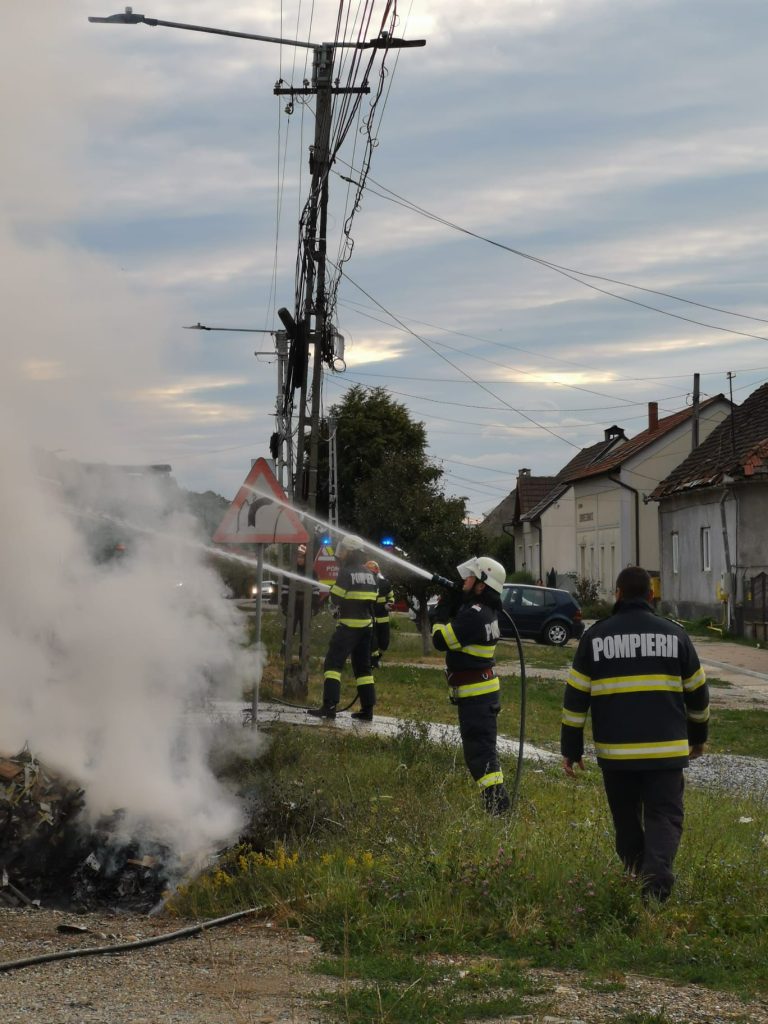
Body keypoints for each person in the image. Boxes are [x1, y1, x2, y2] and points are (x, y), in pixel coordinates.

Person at [561, 565, 709, 901]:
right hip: (665, 752)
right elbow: (698, 695)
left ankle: (642, 877)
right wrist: (698, 737)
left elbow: (575, 698)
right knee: (664, 816)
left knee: (626, 819)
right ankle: (655, 883)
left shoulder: (595, 637)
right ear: (651, 595)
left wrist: (571, 748)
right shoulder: (675, 635)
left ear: (617, 594)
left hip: (617, 753)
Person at [431, 555, 511, 815]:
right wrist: (459, 601)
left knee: (480, 755)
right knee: (481, 753)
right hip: (479, 695)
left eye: (470, 577)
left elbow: (441, 640)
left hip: (477, 698)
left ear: (481, 585)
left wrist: (441, 611)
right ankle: (496, 806)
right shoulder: (483, 611)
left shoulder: (475, 615)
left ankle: (498, 809)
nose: (464, 580)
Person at [308, 535, 378, 722]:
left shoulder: (346, 572)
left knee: (333, 664)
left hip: (348, 627)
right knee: (363, 669)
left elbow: (336, 598)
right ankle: (367, 710)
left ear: (352, 552)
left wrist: (333, 596)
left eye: (344, 550)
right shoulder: (370, 574)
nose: (342, 553)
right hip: (366, 627)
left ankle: (329, 707)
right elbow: (372, 600)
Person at [280, 544, 322, 654]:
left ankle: (303, 655)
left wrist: (315, 606)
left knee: (305, 631)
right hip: (292, 606)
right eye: (297, 557)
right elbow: (285, 591)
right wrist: (284, 605)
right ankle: (284, 653)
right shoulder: (290, 572)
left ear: (306, 558)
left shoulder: (311, 573)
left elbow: (316, 591)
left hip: (306, 606)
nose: (299, 559)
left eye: (302, 557)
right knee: (289, 629)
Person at [365, 559, 394, 669]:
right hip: (370, 618)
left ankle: (375, 660)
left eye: (373, 573)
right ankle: (372, 662)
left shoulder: (385, 583)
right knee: (373, 643)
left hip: (383, 618)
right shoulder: (364, 584)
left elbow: (391, 596)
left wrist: (389, 603)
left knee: (384, 643)